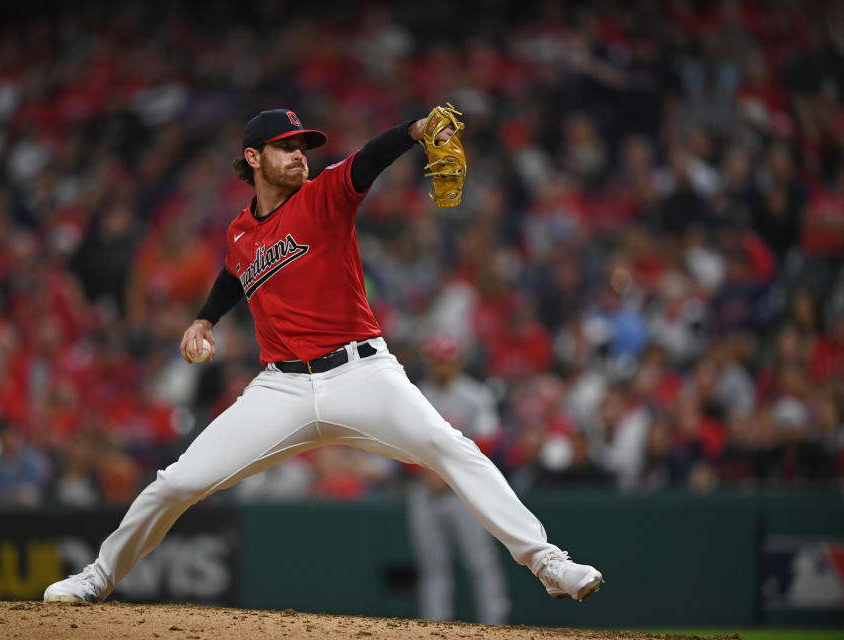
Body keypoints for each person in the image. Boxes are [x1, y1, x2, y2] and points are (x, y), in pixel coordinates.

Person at [43, 108, 603, 607]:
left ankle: (546, 561)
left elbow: (370, 159)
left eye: (302, 147)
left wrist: (414, 131)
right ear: (253, 158)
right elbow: (236, 272)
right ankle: (98, 576)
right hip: (280, 390)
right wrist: (205, 318)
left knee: (448, 446)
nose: (299, 156)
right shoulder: (241, 233)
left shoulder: (325, 195)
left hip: (362, 372)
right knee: (176, 482)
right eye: (287, 147)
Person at [408, 333, 510, 624]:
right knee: (432, 566)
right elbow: (400, 443)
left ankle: (496, 625)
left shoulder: (475, 395)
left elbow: (488, 442)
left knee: (481, 562)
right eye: (435, 361)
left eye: (445, 360)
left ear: (457, 361)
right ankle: (436, 626)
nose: (440, 367)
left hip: (466, 492)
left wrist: (447, 473)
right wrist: (428, 472)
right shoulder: (415, 394)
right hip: (427, 490)